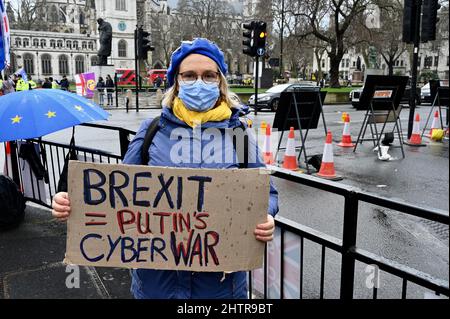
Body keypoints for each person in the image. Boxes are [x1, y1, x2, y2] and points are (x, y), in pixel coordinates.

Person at [52, 38, 278, 299]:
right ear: (177, 81)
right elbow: (119, 195)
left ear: (220, 81)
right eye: (190, 75)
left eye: (208, 75)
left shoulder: (238, 133)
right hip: (156, 286)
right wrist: (75, 203)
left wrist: (267, 217)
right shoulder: (152, 129)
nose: (199, 82)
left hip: (220, 289)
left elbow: (267, 194)